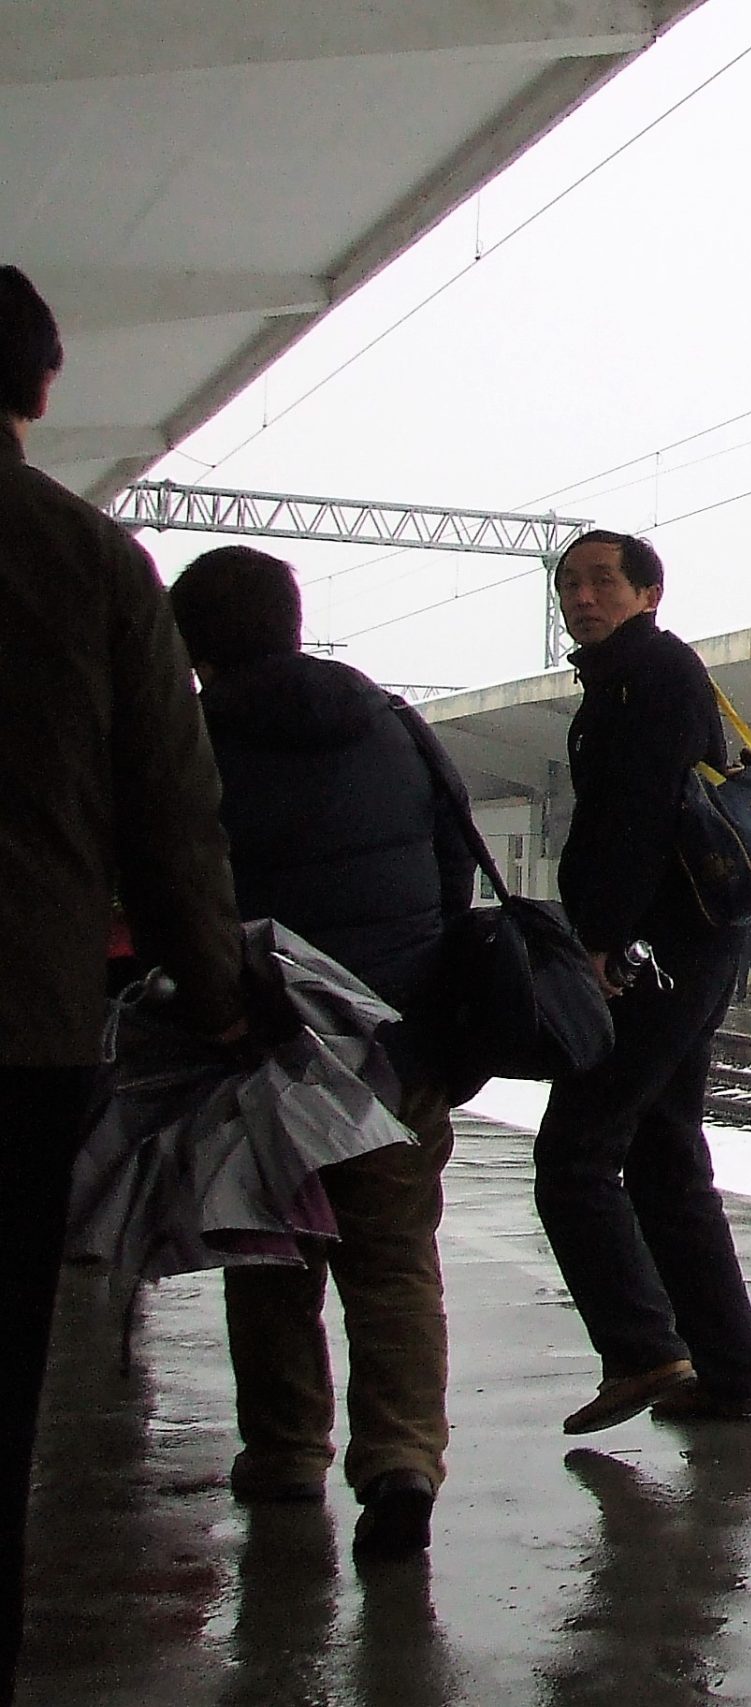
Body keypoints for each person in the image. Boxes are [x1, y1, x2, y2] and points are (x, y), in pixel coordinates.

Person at [0, 266, 247, 1701]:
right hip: (20, 1022)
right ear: (41, 389)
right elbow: (169, 805)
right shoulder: (88, 560)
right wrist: (213, 989)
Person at [166, 545, 476, 1561]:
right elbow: (450, 875)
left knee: (270, 1259)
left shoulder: (193, 743)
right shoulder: (393, 728)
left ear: (194, 644)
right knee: (392, 1263)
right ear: (292, 621)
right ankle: (402, 1461)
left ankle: (289, 1453)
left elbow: (181, 891)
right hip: (394, 1043)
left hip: (260, 1048)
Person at [537, 530, 751, 1433]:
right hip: (694, 945)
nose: (583, 597)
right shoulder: (632, 677)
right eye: (569, 584)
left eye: (602, 581)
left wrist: (604, 939)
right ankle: (730, 1371)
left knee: (574, 1153)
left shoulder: (652, 675)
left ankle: (642, 1348)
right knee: (668, 1157)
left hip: (659, 951)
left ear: (649, 592)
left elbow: (631, 818)